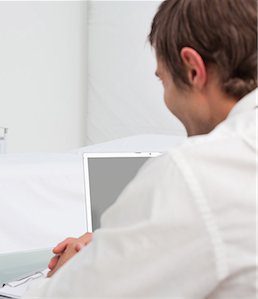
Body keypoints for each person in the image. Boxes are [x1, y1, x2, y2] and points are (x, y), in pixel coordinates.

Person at [25, 0, 257, 297]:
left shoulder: (194, 171)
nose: (167, 98)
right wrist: (129, 242)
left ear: (192, 70)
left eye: (163, 79)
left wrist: (65, 274)